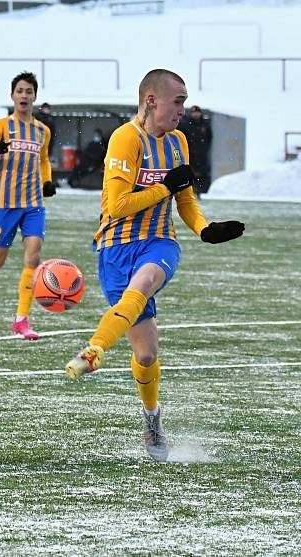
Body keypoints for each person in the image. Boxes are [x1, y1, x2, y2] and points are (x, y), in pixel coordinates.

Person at [63, 69, 244, 461]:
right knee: (146, 356)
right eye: (177, 101)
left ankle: (94, 350)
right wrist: (163, 186)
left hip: (159, 243)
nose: (182, 109)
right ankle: (152, 419)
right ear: (151, 101)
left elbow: (185, 201)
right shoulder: (126, 139)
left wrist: (204, 229)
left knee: (143, 282)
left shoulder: (178, 142)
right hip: (114, 249)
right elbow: (117, 205)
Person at [0, 71, 56, 340]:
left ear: (35, 96)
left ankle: (21, 319)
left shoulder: (42, 131)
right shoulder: (1, 127)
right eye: (20, 91)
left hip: (33, 205)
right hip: (5, 205)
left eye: (29, 91)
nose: (24, 96)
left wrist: (47, 181)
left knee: (33, 257)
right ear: (12, 95)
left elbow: (43, 160)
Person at [177, 105, 213, 197]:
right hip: (190, 153)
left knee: (202, 173)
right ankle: (191, 191)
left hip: (202, 154)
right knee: (190, 173)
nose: (196, 114)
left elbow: (209, 137)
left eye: (197, 112)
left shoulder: (204, 125)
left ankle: (200, 191)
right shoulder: (186, 124)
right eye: (194, 113)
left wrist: (204, 148)